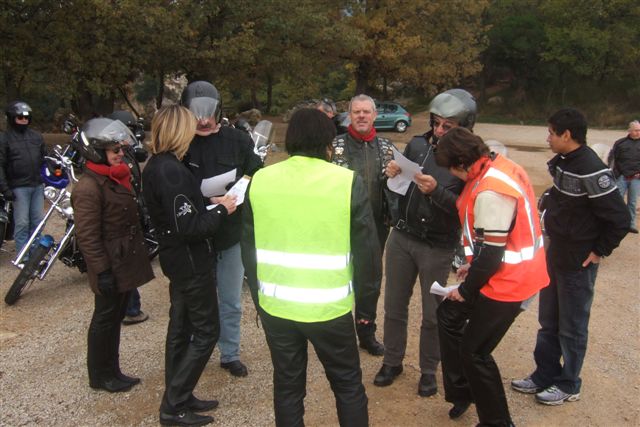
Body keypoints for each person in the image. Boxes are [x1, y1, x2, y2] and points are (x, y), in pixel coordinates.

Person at [241, 108, 381, 427]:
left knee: (288, 387)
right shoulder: (345, 181)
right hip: (329, 308)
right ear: (329, 143)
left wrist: (259, 300)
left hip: (277, 306)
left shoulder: (261, 179)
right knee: (347, 385)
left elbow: (248, 248)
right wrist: (366, 310)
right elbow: (368, 254)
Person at [511, 108, 630, 407]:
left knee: (572, 327)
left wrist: (599, 250)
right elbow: (561, 198)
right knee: (548, 321)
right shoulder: (565, 162)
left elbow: (619, 218)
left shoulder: (591, 169)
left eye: (551, 133)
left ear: (567, 135)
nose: (548, 138)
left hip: (578, 263)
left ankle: (568, 383)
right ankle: (544, 374)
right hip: (555, 255)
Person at [432, 127, 548, 426]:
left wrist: (465, 290)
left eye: (450, 168)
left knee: (476, 352)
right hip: (503, 272)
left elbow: (494, 254)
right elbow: (492, 242)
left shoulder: (491, 190)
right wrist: (473, 266)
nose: (451, 175)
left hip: (511, 281)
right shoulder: (494, 166)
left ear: (461, 163)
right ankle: (463, 391)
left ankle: (497, 422)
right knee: (448, 316)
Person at [374, 89, 474, 398]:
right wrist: (392, 174)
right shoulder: (418, 144)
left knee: (433, 313)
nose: (439, 130)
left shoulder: (469, 160)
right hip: (402, 237)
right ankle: (392, 362)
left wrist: (436, 192)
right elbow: (399, 188)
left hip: (437, 245)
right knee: (393, 306)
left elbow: (465, 209)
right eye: (436, 122)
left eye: (448, 126)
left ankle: (429, 370)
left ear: (465, 126)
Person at [143, 105, 237, 426]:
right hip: (190, 262)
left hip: (178, 260)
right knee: (207, 331)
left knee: (181, 329)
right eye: (189, 125)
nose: (195, 129)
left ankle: (180, 393)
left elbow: (179, 211)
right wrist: (222, 210)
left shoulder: (160, 165)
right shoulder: (171, 171)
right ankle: (174, 405)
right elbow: (189, 228)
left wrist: (207, 202)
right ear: (178, 130)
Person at [181, 80, 263, 378]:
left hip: (230, 232)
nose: (203, 120)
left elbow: (255, 171)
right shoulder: (180, 143)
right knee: (194, 302)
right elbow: (171, 186)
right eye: (197, 114)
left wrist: (240, 191)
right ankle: (194, 351)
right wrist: (206, 201)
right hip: (195, 234)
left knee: (230, 300)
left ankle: (230, 353)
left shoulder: (237, 139)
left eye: (209, 113)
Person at [71, 118, 155, 394]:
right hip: (109, 262)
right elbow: (87, 236)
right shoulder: (88, 187)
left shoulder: (112, 176)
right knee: (104, 319)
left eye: (121, 148)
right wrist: (102, 271)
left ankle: (113, 370)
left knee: (116, 315)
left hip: (122, 259)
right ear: (96, 152)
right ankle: (100, 375)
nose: (120, 153)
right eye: (114, 150)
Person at [330, 93, 395, 356]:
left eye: (366, 111)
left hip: (376, 227)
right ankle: (338, 333)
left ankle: (366, 334)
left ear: (374, 115)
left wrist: (395, 178)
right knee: (337, 278)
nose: (361, 116)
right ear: (349, 115)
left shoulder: (388, 148)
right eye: (356, 111)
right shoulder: (333, 146)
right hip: (339, 226)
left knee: (369, 283)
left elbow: (399, 188)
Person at [108, 110, 149, 325]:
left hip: (131, 213)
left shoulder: (126, 153)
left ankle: (129, 307)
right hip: (123, 220)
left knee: (128, 264)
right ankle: (131, 309)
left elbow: (142, 157)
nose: (127, 139)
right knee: (125, 265)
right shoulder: (115, 160)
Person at [0, 101, 45, 255]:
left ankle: (35, 255)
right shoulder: (4, 139)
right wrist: (5, 188)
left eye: (26, 117)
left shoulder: (36, 137)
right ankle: (23, 256)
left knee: (37, 222)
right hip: (18, 187)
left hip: (37, 185)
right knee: (22, 223)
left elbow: (44, 160)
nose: (24, 120)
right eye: (20, 117)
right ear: (12, 118)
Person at [607, 120, 640, 233]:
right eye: (635, 130)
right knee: (617, 201)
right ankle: (615, 223)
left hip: (636, 178)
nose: (638, 132)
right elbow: (612, 159)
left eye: (639, 130)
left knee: (632, 202)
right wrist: (613, 173)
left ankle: (630, 224)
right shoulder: (620, 143)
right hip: (621, 177)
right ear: (629, 131)